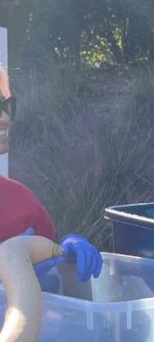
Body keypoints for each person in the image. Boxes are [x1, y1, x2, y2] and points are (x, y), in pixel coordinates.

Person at [0, 63, 102, 282]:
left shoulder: (21, 201)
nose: (6, 118)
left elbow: (58, 281)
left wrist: (68, 255)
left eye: (6, 104)